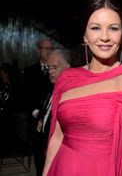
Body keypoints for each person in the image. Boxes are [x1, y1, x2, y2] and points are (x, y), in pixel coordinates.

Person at [42, 0, 122, 176]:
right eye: (95, 28)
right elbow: (57, 137)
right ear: (85, 36)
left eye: (113, 28)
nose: (104, 37)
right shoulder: (66, 78)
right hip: (62, 168)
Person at [32, 48, 71, 176]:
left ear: (67, 68)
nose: (50, 71)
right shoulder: (53, 87)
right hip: (44, 145)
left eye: (55, 67)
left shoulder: (71, 93)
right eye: (49, 67)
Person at [22, 38, 53, 176]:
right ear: (38, 50)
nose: (47, 52)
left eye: (49, 49)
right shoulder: (29, 70)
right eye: (44, 48)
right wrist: (36, 112)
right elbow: (24, 94)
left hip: (54, 119)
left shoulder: (56, 68)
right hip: (36, 119)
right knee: (39, 153)